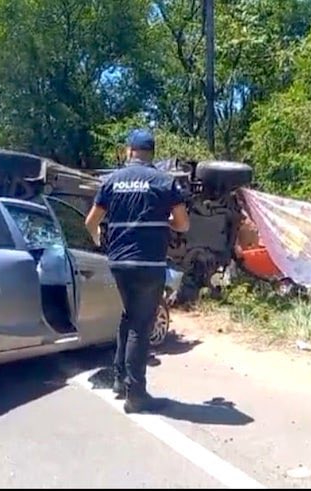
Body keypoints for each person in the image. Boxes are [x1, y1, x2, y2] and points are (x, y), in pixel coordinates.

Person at [84, 129, 190, 413]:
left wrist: (99, 238)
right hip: (148, 263)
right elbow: (183, 224)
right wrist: (166, 221)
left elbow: (90, 222)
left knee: (129, 316)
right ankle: (136, 394)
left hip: (119, 263)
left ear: (129, 151)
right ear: (152, 153)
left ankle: (119, 380)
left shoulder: (111, 181)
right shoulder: (164, 181)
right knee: (141, 326)